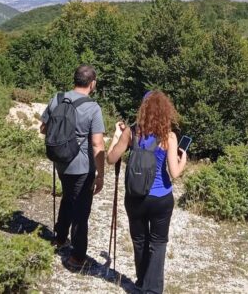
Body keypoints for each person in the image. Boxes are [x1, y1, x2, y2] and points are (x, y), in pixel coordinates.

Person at [107, 91, 188, 294]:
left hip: (135, 197)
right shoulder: (169, 137)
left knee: (140, 240)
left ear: (143, 109)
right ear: (165, 111)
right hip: (161, 199)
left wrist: (116, 136)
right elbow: (175, 173)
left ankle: (142, 281)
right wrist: (183, 159)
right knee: (158, 243)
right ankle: (152, 290)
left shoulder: (132, 132)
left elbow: (111, 158)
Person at [40, 65, 106, 268]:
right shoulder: (93, 108)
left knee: (68, 198)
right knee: (81, 210)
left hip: (60, 163)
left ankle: (60, 238)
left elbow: (43, 128)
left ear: (74, 79)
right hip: (81, 168)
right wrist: (101, 175)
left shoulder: (57, 98)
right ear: (92, 83)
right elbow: (97, 144)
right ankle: (77, 256)